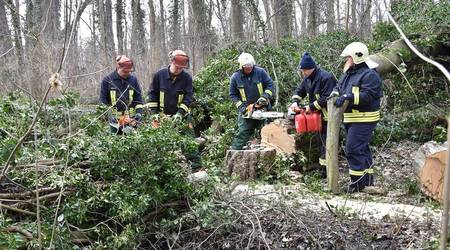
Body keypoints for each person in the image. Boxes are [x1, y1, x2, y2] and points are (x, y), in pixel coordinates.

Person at [332, 42, 383, 192]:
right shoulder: (349, 73)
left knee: (353, 148)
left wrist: (348, 96)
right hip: (352, 119)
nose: (347, 60)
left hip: (364, 118)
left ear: (356, 57)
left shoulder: (370, 75)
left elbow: (368, 96)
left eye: (348, 58)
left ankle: (357, 185)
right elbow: (339, 86)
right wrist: (335, 93)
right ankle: (367, 182)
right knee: (362, 149)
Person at [147, 50, 201, 169]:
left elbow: (188, 98)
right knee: (157, 142)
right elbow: (152, 95)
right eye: (177, 67)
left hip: (182, 116)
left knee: (189, 142)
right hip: (161, 115)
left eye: (181, 68)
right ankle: (158, 168)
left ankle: (195, 167)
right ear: (171, 61)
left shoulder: (186, 78)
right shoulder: (159, 75)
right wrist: (154, 113)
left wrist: (180, 114)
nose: (179, 70)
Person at [289, 52, 337, 175]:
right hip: (319, 118)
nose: (303, 72)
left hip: (329, 116)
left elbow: (327, 98)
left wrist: (310, 107)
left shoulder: (326, 78)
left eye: (305, 70)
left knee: (327, 144)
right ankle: (322, 168)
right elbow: (299, 91)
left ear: (311, 68)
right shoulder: (307, 79)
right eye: (302, 70)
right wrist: (295, 102)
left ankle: (327, 171)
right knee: (320, 143)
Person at [229, 52, 275, 150]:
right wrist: (242, 107)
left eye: (250, 66)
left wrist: (264, 97)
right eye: (246, 67)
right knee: (242, 133)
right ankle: (234, 153)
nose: (249, 68)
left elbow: (270, 85)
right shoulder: (235, 77)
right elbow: (233, 95)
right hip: (247, 109)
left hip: (263, 107)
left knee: (270, 132)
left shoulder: (260, 72)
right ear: (242, 66)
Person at [100, 55, 144, 134]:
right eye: (124, 71)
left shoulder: (133, 80)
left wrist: (139, 113)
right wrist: (109, 116)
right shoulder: (108, 80)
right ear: (118, 67)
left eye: (128, 71)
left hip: (131, 121)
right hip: (114, 122)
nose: (127, 74)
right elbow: (103, 102)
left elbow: (138, 100)